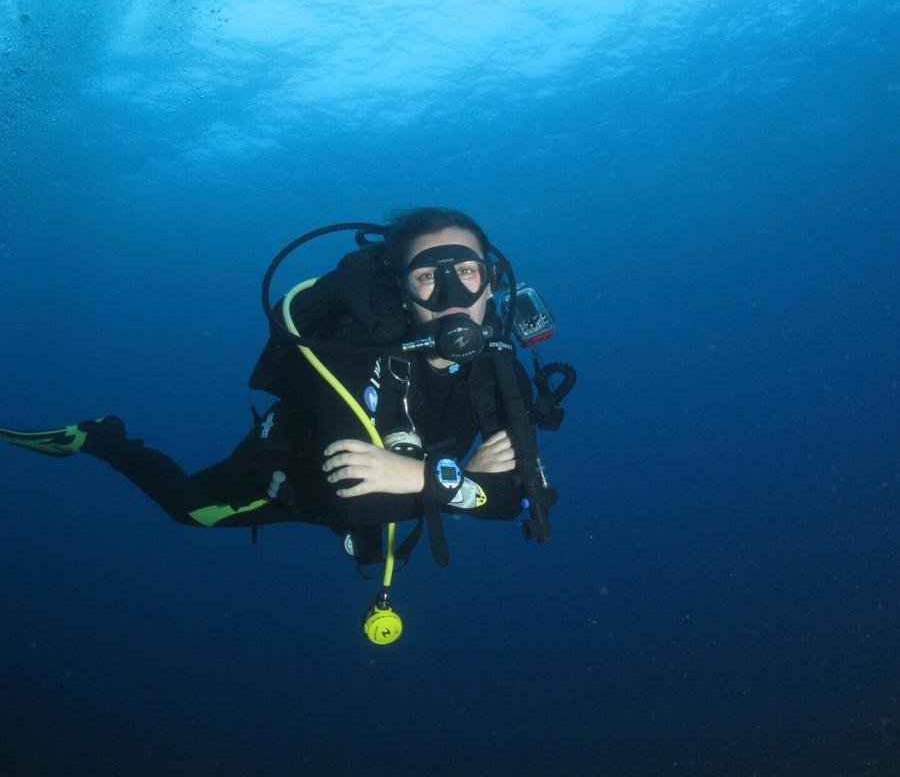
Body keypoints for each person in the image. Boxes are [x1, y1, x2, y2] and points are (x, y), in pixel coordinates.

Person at [1, 207, 571, 641]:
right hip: (293, 477)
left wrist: (422, 477)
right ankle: (104, 438)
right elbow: (353, 498)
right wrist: (456, 480)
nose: (452, 295)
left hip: (402, 495)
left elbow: (523, 501)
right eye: (427, 277)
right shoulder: (352, 352)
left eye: (467, 272)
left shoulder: (500, 374)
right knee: (186, 509)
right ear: (401, 293)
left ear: (491, 283)